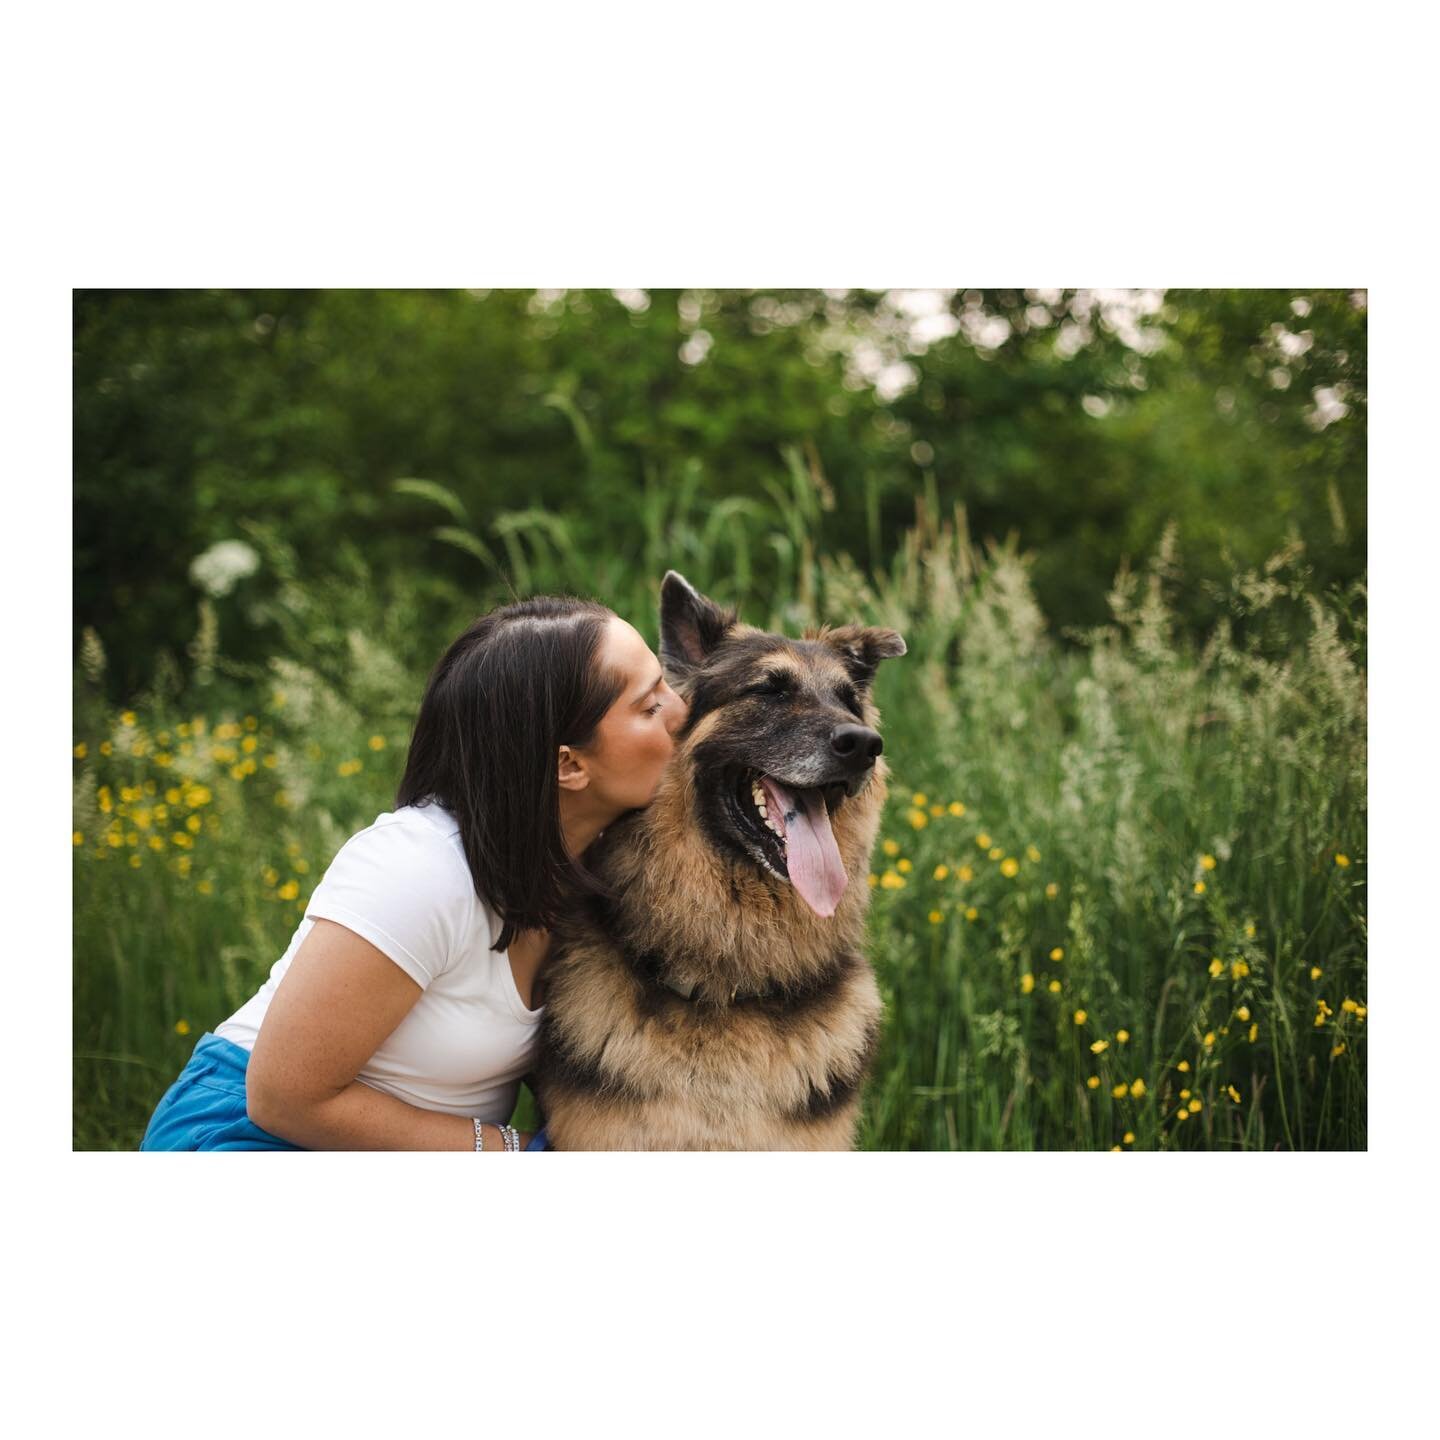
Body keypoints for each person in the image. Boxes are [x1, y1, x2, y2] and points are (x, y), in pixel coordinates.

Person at [140, 594, 688, 1151]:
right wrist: (515, 1154)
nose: (683, 712)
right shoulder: (419, 870)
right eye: (649, 707)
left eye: (666, 684)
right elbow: (282, 1098)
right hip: (252, 1133)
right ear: (569, 764)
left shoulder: (596, 865)